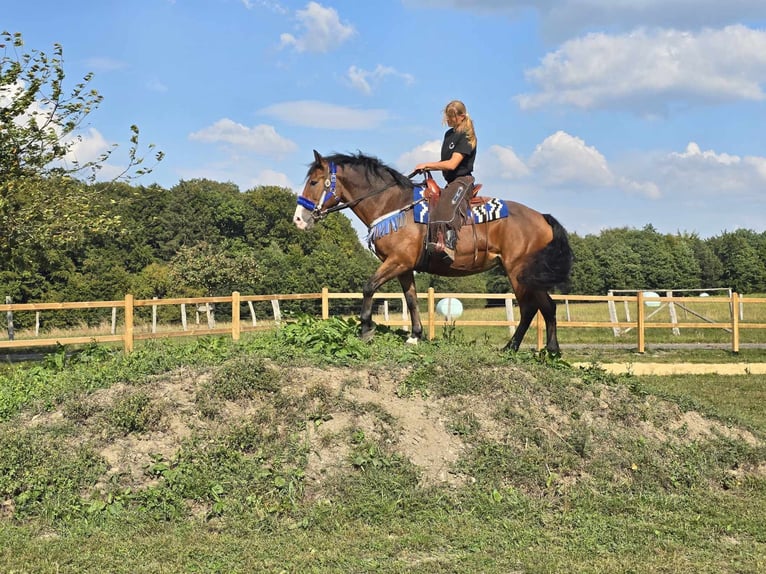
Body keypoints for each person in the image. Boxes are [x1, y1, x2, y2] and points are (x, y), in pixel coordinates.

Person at [414, 99, 477, 262]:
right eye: (446, 116)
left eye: (451, 117)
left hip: (463, 181)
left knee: (445, 204)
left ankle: (449, 245)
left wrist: (427, 164)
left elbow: (452, 164)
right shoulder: (449, 134)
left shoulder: (466, 136)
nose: (447, 120)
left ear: (461, 116)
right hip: (450, 182)